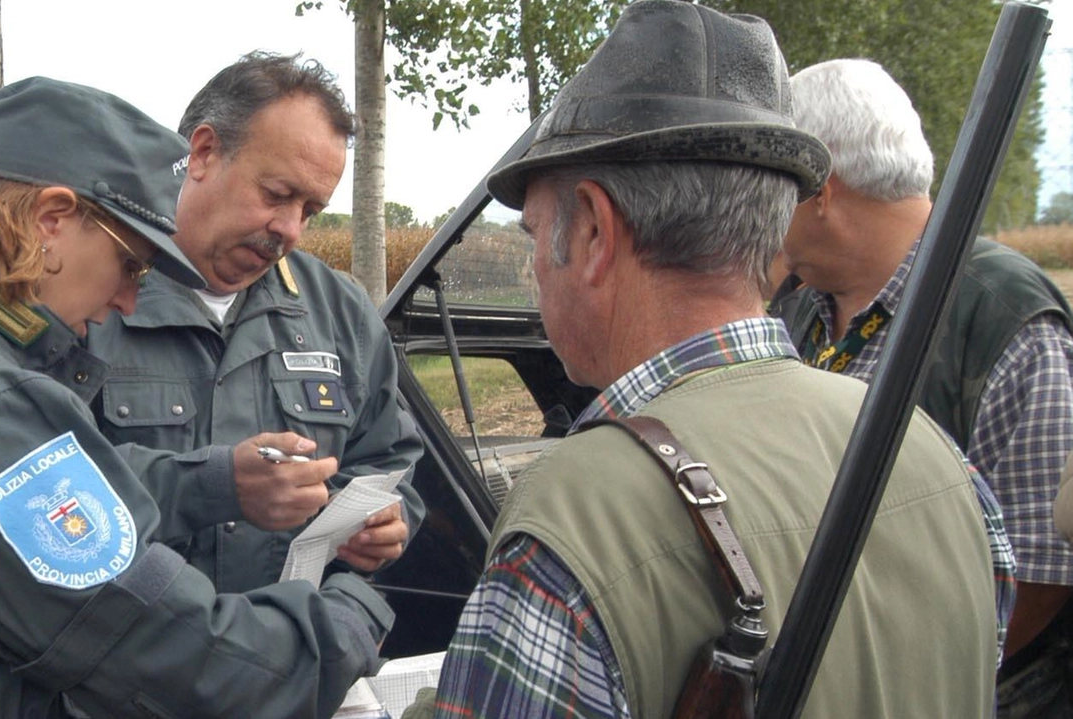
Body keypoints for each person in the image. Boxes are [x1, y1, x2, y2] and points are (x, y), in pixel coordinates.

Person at [405, 2, 1007, 717]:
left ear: (595, 229)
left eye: (535, 232)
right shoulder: (935, 453)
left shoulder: (578, 519)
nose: (535, 267)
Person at [0, 76, 393, 718]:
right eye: (132, 265)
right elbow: (175, 651)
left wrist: (214, 483)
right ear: (52, 220)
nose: (130, 300)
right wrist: (356, 614)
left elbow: (63, 490)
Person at [778, 58, 1073, 717]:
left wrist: (915, 682)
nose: (764, 212)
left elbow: (1043, 569)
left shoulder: (1003, 317)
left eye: (774, 183)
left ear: (820, 188)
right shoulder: (803, 308)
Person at [85, 52, 424, 594]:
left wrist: (385, 518)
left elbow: (390, 458)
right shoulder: (91, 289)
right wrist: (211, 487)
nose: (289, 229)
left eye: (310, 210)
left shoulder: (341, 313)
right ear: (203, 152)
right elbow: (33, 482)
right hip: (120, 664)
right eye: (277, 195)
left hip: (286, 656)